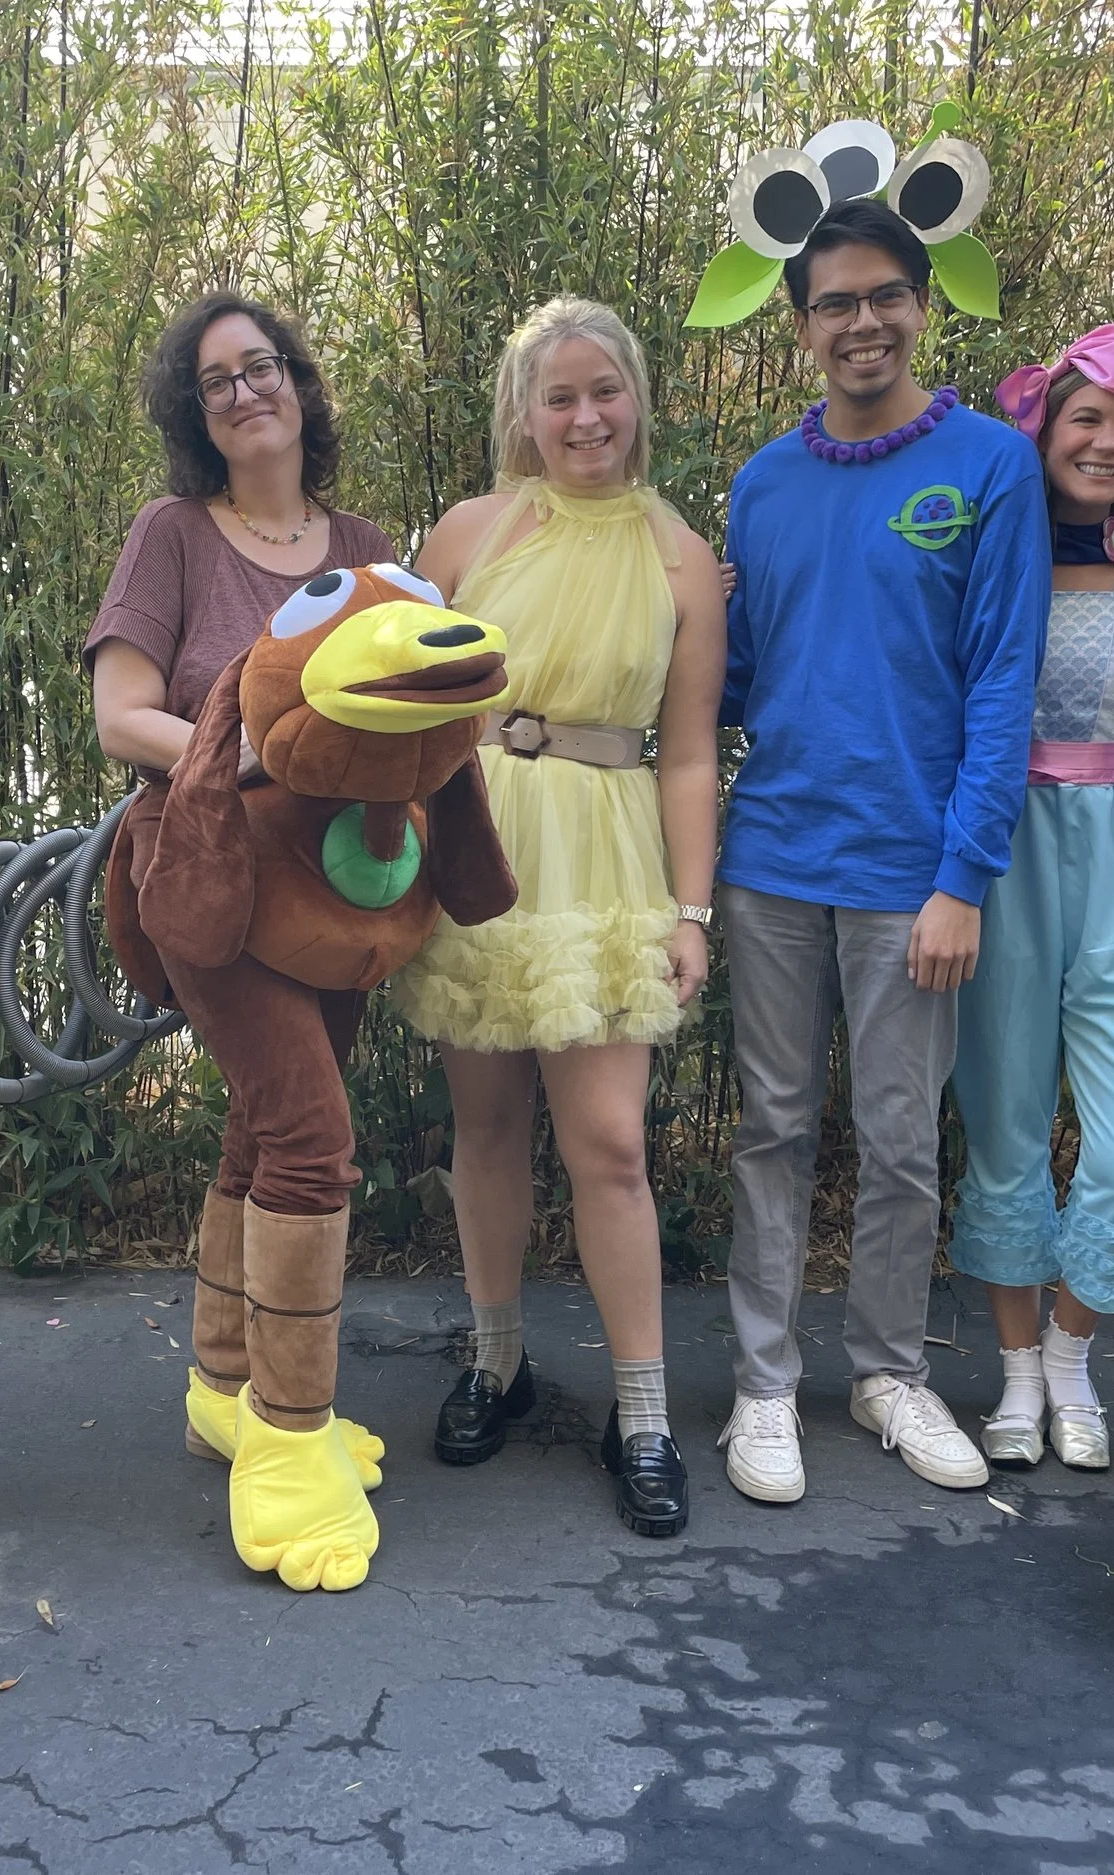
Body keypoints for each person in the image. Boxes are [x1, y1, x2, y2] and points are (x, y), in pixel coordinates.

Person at [714, 199, 1050, 1503]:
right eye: (834, 302)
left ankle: (889, 1369)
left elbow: (1001, 683)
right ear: (802, 324)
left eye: (882, 297)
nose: (861, 321)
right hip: (773, 856)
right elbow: (739, 680)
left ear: (923, 304)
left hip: (913, 870)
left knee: (904, 1135)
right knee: (773, 1126)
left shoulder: (988, 466)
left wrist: (963, 874)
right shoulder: (762, 481)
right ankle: (762, 1381)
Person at [390, 297, 727, 1539]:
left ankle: (642, 1415)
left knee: (610, 1145)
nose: (585, 416)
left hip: (607, 844)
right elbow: (404, 700)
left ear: (637, 399)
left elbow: (689, 752)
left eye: (605, 391)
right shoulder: (469, 532)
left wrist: (690, 909)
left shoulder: (681, 554)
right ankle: (494, 1360)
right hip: (480, 841)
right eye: (560, 397)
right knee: (483, 1127)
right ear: (523, 415)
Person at [85, 291, 397, 1499]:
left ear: (300, 388)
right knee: (313, 1140)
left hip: (337, 884)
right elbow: (123, 714)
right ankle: (288, 1431)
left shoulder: (364, 544)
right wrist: (255, 752)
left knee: (262, 1130)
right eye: (217, 381)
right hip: (208, 862)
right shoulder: (170, 532)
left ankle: (221, 1388)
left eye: (261, 367)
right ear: (197, 415)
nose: (245, 391)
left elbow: (398, 707)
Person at [951, 326, 1114, 1472]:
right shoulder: (985, 546)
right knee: (1002, 1119)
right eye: (1083, 416)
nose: (1105, 440)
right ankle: (1011, 1378)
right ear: (1041, 424)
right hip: (1002, 852)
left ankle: (1071, 1360)